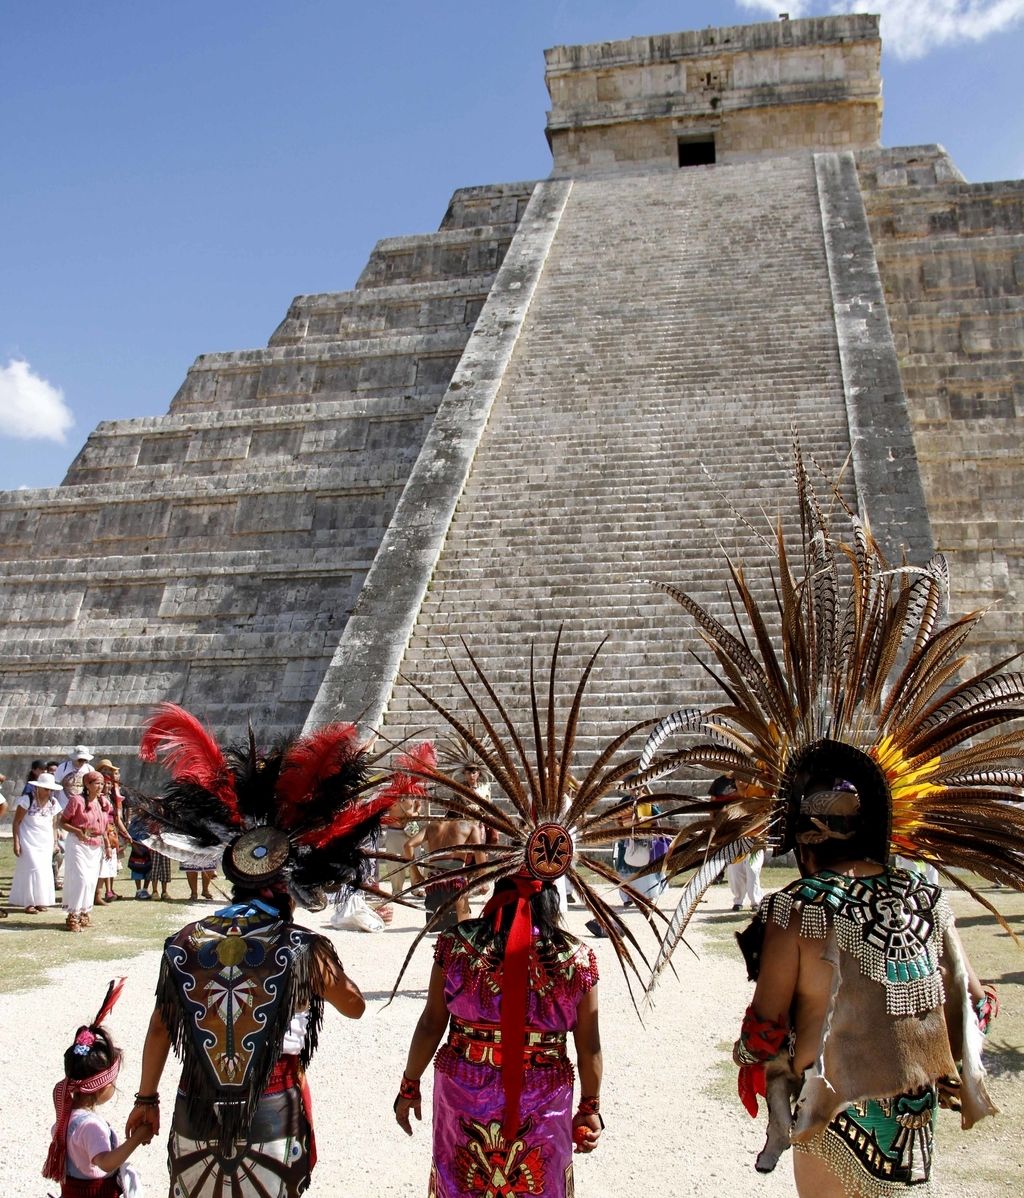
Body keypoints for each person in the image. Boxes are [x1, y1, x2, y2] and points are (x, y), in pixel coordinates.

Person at [634, 457, 1021, 1196]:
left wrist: (753, 1058)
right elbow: (972, 1000)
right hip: (911, 1119)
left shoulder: (799, 910)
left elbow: (765, 1025)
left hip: (831, 1114)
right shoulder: (927, 891)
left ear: (803, 834)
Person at [126, 702, 402, 1196]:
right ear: (290, 883)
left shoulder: (186, 942)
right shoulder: (304, 948)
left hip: (196, 1109)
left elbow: (160, 1027)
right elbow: (355, 1006)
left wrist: (145, 1098)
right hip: (272, 1110)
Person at [395, 877, 602, 1197]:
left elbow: (431, 1023)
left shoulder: (458, 945)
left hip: (465, 1087)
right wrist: (589, 1107)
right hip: (542, 1094)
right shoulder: (576, 958)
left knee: (463, 1182)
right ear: (553, 897)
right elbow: (589, 1047)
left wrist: (409, 1085)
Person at [43, 979, 152, 1198]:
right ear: (102, 1086)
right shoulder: (91, 1126)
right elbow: (106, 1162)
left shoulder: (66, 1116)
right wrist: (138, 1138)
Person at [405, 805, 484, 926]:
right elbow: (479, 851)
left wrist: (416, 874)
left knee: (441, 927)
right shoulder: (470, 827)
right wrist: (483, 880)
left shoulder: (431, 826)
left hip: (434, 881)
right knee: (463, 925)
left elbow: (408, 846)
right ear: (463, 814)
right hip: (455, 880)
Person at [9, 769, 63, 913]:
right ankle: (28, 903)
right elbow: (16, 822)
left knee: (43, 871)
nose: (48, 792)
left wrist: (55, 842)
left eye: (50, 790)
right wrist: (16, 842)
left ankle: (39, 901)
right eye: (46, 789)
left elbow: (54, 824)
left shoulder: (53, 802)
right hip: (28, 840)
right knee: (32, 868)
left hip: (45, 841)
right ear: (38, 787)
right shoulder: (27, 799)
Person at [60, 770, 108, 931]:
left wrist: (107, 845)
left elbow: (105, 826)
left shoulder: (102, 802)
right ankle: (72, 915)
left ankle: (84, 913)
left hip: (95, 845)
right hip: (78, 843)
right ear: (87, 784)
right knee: (81, 880)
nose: (100, 786)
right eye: (97, 783)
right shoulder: (77, 800)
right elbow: (62, 822)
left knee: (91, 881)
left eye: (102, 783)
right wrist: (78, 831)